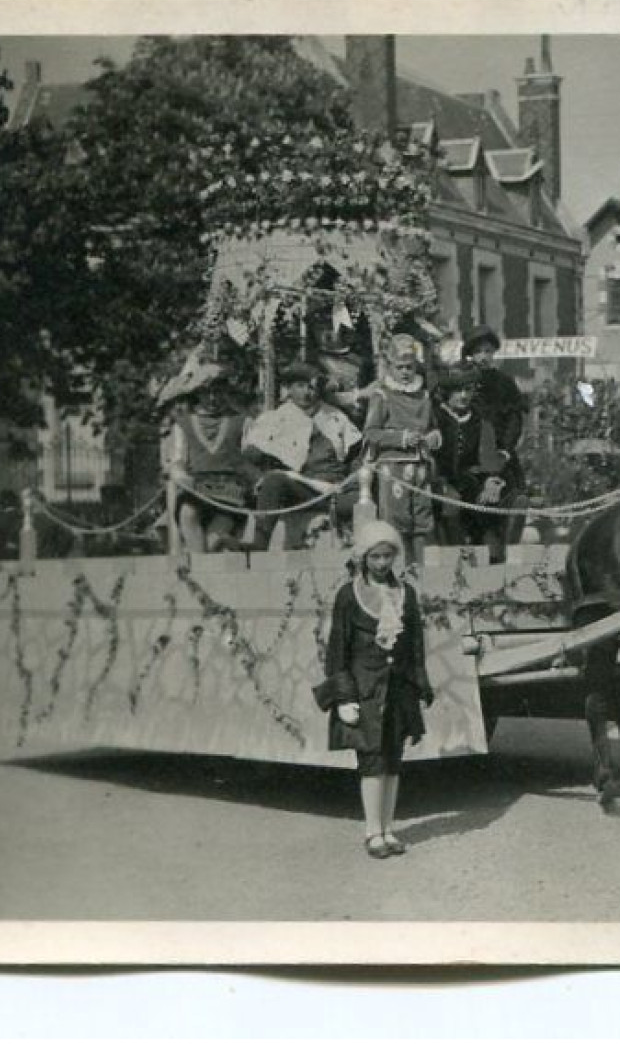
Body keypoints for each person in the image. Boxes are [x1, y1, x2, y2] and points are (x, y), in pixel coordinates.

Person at [313, 521, 436, 859]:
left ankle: (389, 828)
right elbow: (338, 650)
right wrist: (343, 697)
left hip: (397, 690)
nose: (382, 563)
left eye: (388, 556)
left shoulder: (406, 593)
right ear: (363, 557)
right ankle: (372, 832)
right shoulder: (348, 595)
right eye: (376, 556)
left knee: (394, 760)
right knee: (372, 760)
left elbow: (414, 646)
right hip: (365, 690)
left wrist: (419, 685)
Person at [242, 361, 363, 551]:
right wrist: (260, 477)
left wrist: (353, 482)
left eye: (312, 387)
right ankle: (259, 544)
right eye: (300, 386)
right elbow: (250, 458)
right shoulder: (275, 419)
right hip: (300, 491)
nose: (307, 393)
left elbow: (356, 456)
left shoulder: (336, 417)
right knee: (275, 480)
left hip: (335, 492)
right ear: (289, 388)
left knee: (363, 500)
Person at [360, 334, 440, 568]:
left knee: (421, 521)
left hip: (421, 466)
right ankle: (398, 570)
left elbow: (433, 425)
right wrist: (401, 438)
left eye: (410, 367)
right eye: (400, 367)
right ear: (391, 366)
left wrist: (435, 436)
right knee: (397, 520)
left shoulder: (424, 395)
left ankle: (420, 572)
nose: (405, 372)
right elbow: (371, 433)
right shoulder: (382, 395)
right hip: (393, 466)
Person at [160, 363, 257, 553]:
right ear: (198, 394)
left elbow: (250, 459)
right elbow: (178, 459)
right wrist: (179, 474)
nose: (213, 398)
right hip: (197, 489)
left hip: (231, 492)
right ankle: (201, 571)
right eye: (207, 393)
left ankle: (205, 567)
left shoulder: (242, 422)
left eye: (218, 392)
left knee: (215, 540)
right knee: (188, 514)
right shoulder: (183, 424)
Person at [431, 362, 512, 561]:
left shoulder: (479, 420)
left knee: (488, 504)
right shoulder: (435, 417)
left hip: (469, 480)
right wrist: (439, 482)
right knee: (450, 505)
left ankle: (492, 560)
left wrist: (490, 481)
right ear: (447, 392)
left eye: (467, 390)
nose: (464, 396)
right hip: (437, 481)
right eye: (458, 391)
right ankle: (455, 559)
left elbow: (488, 457)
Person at [461, 326, 528, 547]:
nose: (484, 357)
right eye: (479, 351)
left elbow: (514, 421)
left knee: (510, 498)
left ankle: (505, 548)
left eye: (488, 351)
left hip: (500, 457)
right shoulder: (461, 382)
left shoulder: (504, 383)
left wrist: (505, 450)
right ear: (470, 353)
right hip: (469, 459)